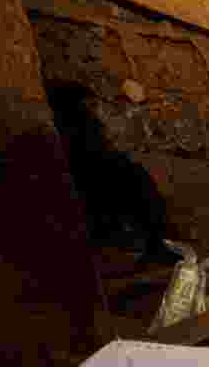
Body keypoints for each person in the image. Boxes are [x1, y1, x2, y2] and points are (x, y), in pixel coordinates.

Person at [45, 81, 176, 267]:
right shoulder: (74, 134)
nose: (97, 114)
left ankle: (153, 246)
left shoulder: (85, 130)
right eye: (90, 107)